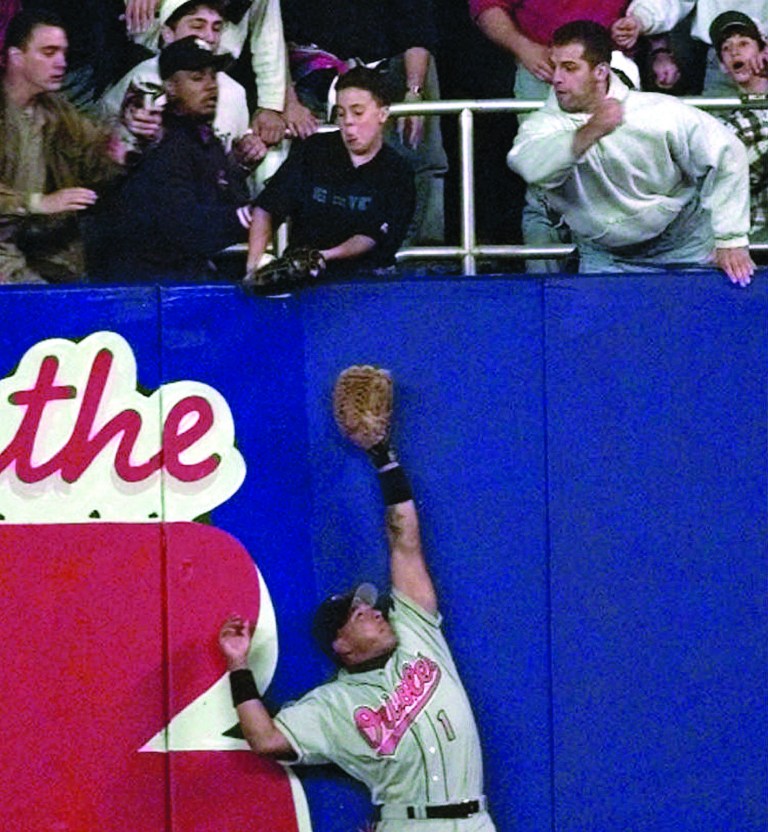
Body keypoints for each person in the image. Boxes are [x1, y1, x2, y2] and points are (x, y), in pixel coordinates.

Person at [218, 366, 496, 831]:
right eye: (357, 614)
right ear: (341, 646)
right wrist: (237, 666)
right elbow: (265, 739)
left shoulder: (417, 631)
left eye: (368, 605)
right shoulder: (331, 707)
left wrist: (383, 457)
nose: (372, 610)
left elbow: (404, 539)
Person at [506, 20, 755, 286]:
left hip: (684, 247)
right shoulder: (544, 123)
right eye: (554, 66)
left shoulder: (660, 112)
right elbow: (529, 166)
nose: (556, 78)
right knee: (604, 329)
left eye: (569, 68)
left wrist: (731, 239)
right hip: (604, 258)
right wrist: (593, 130)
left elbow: (729, 153)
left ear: (600, 71)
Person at [281, 0, 448, 245]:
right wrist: (289, 101)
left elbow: (417, 31)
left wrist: (414, 92)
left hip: (385, 70)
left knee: (422, 146)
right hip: (311, 76)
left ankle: (422, 256)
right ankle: (309, 253)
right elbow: (275, 40)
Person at [93, 37, 252, 282]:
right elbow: (187, 228)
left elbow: (230, 198)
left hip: (184, 276)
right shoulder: (160, 140)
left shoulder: (206, 140)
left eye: (213, 76)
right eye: (197, 78)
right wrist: (250, 216)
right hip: (143, 287)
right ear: (170, 87)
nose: (211, 86)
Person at [244, 67, 415, 280]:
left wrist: (319, 257)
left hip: (366, 283)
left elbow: (371, 237)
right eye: (341, 114)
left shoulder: (398, 172)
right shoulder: (313, 151)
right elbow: (267, 208)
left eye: (358, 112)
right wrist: (252, 269)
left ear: (383, 114)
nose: (348, 122)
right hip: (305, 280)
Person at [0, 9, 124, 284]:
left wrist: (124, 146)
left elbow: (97, 163)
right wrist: (38, 203)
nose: (61, 63)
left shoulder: (59, 112)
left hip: (45, 249)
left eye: (63, 53)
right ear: (16, 57)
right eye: (48, 52)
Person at [101, 0, 264, 166]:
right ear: (167, 33)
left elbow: (225, 171)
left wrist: (243, 156)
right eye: (197, 26)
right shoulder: (140, 81)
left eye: (216, 28)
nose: (209, 37)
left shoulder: (235, 92)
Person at [710, 11, 768, 247]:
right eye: (726, 48)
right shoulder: (725, 125)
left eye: (744, 43)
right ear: (723, 66)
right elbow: (736, 177)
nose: (735, 51)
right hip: (758, 239)